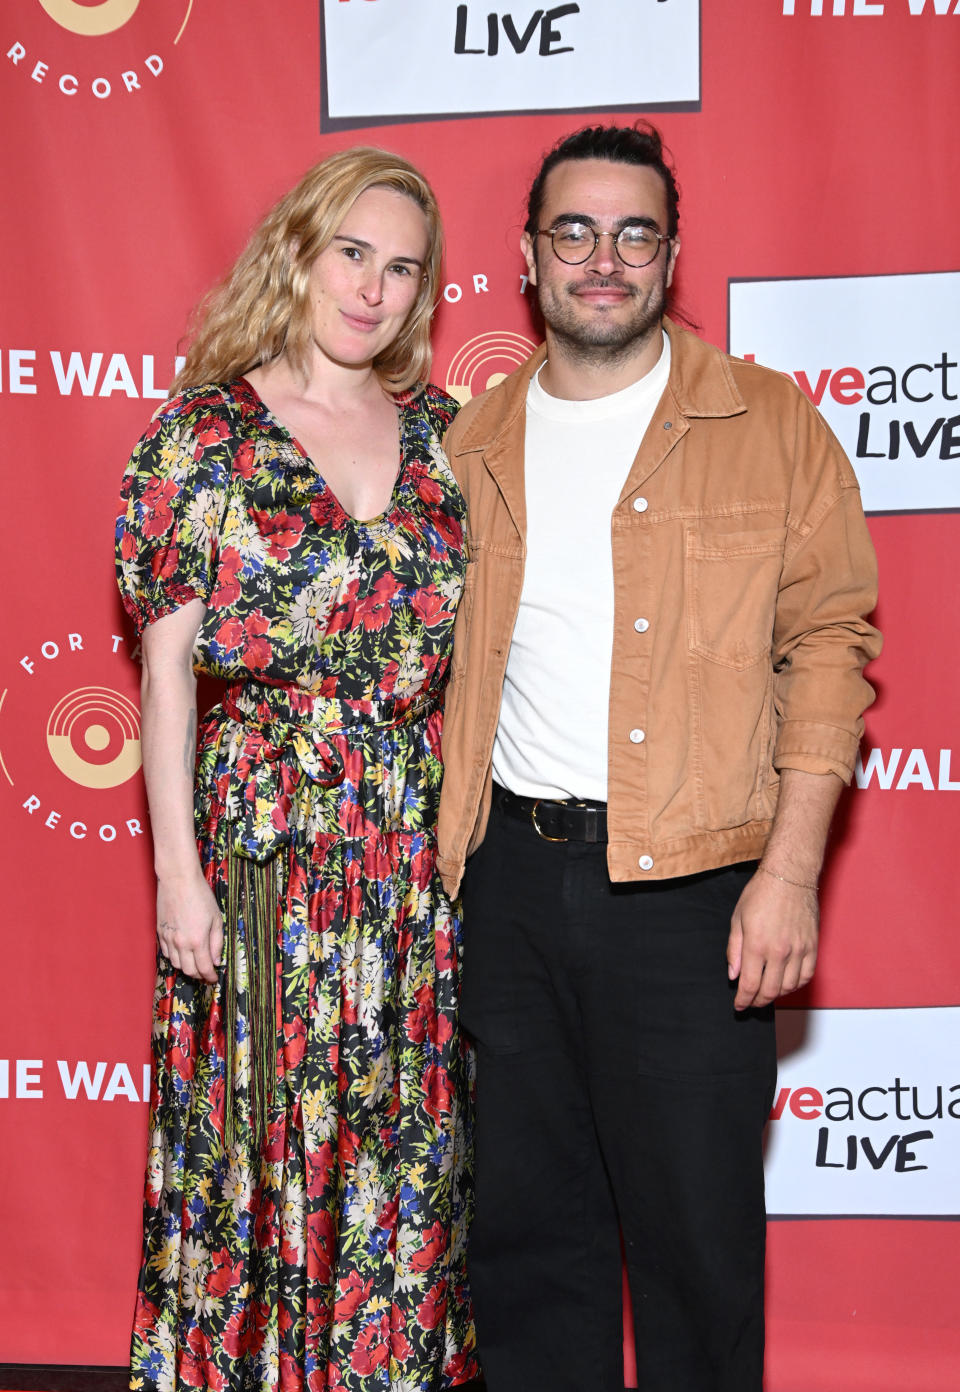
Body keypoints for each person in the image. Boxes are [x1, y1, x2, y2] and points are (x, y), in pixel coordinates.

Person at [435, 124, 881, 1392]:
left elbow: (831, 646)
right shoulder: (466, 445)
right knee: (528, 1251)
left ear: (672, 255)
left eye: (634, 233)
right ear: (529, 259)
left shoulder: (769, 423)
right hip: (506, 890)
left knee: (696, 1258)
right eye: (574, 232)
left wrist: (790, 876)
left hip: (693, 899)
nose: (604, 259)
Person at [116, 147, 477, 1392]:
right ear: (297, 251)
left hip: (410, 850)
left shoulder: (447, 440)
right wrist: (178, 874)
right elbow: (164, 674)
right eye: (353, 254)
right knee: (255, 1136)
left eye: (402, 268)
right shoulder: (201, 437)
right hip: (263, 843)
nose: (373, 289)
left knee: (399, 1135)